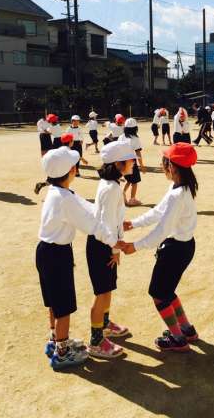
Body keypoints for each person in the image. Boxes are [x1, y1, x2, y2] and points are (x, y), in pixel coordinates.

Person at [36, 147, 120, 370]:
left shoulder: (58, 191)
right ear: (71, 170)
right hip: (57, 255)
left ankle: (55, 340)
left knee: (54, 301)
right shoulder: (64, 198)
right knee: (64, 306)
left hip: (45, 251)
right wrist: (115, 241)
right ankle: (62, 353)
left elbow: (88, 208)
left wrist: (104, 214)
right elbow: (91, 225)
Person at [119, 142, 198, 353]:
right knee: (167, 291)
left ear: (172, 166)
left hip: (175, 250)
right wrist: (134, 223)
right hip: (184, 246)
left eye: (164, 162)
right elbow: (158, 212)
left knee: (158, 293)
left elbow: (162, 230)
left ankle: (178, 338)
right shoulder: (181, 186)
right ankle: (186, 329)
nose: (162, 166)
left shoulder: (177, 194)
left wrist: (135, 246)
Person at [86, 141, 136, 359]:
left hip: (106, 243)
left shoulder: (110, 183)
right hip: (102, 245)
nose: (133, 162)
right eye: (130, 159)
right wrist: (117, 247)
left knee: (108, 288)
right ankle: (96, 341)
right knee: (102, 292)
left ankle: (104, 325)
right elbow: (106, 225)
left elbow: (113, 220)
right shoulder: (112, 189)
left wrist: (115, 246)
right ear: (118, 164)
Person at [119, 118, 146, 206]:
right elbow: (138, 153)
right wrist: (142, 165)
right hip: (131, 162)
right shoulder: (135, 138)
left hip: (122, 161)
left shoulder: (121, 137)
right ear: (135, 128)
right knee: (134, 182)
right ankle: (132, 199)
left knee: (129, 180)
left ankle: (122, 193)